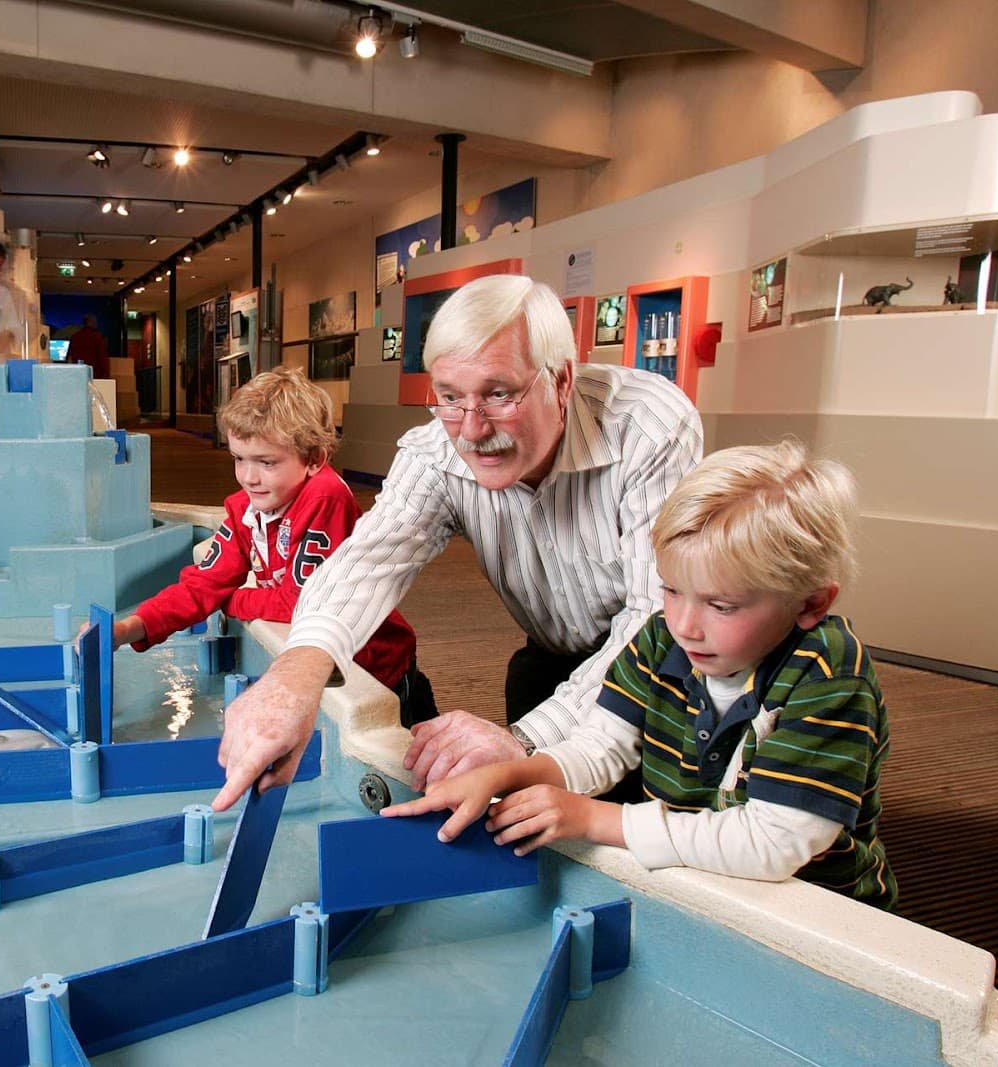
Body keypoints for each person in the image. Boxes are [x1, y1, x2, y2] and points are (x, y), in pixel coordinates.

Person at [211, 275, 702, 812]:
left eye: (499, 394)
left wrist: (523, 742)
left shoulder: (648, 427)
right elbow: (368, 562)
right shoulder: (434, 451)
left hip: (679, 673)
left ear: (560, 381)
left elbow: (659, 618)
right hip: (550, 661)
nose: (470, 429)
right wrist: (297, 676)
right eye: (448, 397)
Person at [381, 442, 896, 908]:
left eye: (721, 605)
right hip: (699, 883)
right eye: (672, 590)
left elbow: (772, 845)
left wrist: (596, 819)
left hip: (817, 912)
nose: (685, 625)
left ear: (809, 603)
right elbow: (601, 746)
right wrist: (505, 774)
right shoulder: (661, 637)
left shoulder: (829, 675)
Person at [113, 367, 437, 727]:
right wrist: (130, 628)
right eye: (239, 458)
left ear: (314, 458)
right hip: (325, 670)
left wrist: (227, 600)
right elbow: (201, 584)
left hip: (380, 668)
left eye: (267, 462)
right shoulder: (244, 508)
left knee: (420, 765)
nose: (249, 477)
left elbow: (301, 603)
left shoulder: (325, 496)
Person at [66, 312, 112, 381]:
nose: (97, 324)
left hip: (78, 375)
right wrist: (106, 375)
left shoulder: (75, 337)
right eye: (95, 322)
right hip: (95, 376)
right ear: (92, 322)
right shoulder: (98, 337)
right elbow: (103, 358)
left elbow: (69, 358)